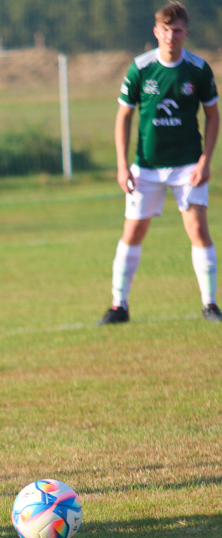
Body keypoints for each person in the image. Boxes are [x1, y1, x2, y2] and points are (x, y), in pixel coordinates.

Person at [98, 1, 219, 325]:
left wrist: (205, 160)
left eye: (177, 30)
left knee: (197, 229)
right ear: (156, 31)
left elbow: (212, 116)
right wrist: (122, 166)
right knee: (134, 231)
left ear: (186, 32)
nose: (171, 36)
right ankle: (118, 306)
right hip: (146, 166)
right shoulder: (140, 68)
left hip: (187, 167)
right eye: (165, 30)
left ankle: (210, 304)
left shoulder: (198, 69)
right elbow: (124, 116)